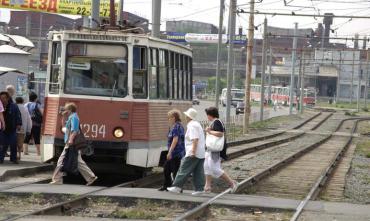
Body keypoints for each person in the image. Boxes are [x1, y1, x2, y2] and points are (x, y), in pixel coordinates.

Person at [50, 102, 98, 185]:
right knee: (78, 162)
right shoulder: (71, 117)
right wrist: (63, 116)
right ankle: (91, 177)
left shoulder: (74, 117)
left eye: (66, 109)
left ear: (70, 109)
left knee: (61, 161)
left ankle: (57, 179)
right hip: (70, 142)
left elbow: (75, 130)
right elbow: (64, 128)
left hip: (71, 143)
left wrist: (71, 140)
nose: (65, 110)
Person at [167, 108, 206, 195]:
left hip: (193, 152)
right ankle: (200, 189)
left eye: (186, 115)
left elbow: (195, 139)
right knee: (198, 171)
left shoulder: (192, 125)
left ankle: (177, 186)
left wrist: (193, 151)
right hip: (200, 152)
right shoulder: (197, 124)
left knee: (183, 168)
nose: (185, 116)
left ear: (188, 116)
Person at [203, 107, 238, 193]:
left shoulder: (217, 122)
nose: (207, 117)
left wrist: (209, 131)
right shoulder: (214, 122)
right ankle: (207, 187)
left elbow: (220, 133)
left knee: (214, 168)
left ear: (210, 115)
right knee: (206, 166)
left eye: (207, 115)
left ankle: (232, 183)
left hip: (216, 150)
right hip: (210, 149)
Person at [158, 109, 185, 191]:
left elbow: (175, 140)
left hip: (175, 153)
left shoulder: (176, 127)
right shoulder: (177, 126)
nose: (168, 119)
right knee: (167, 168)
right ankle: (167, 185)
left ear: (173, 118)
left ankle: (178, 187)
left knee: (175, 170)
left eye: (169, 118)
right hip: (176, 152)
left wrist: (169, 152)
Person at [0, 91, 22, 164]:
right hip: (2, 129)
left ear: (8, 98)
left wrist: (19, 124)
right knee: (3, 144)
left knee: (13, 144)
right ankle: (1, 158)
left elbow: (18, 115)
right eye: (1, 98)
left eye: (4, 98)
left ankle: (13, 158)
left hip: (12, 129)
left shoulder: (14, 106)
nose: (2, 99)